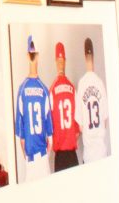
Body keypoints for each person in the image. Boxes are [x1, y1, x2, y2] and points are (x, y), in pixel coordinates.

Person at [15, 35, 53, 181]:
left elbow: (21, 137)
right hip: (43, 159)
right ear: (38, 56)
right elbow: (51, 139)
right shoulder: (44, 90)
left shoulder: (22, 90)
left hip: (30, 162)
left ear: (27, 55)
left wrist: (27, 157)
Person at [75, 37, 109, 163]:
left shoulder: (82, 83)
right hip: (101, 152)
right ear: (93, 56)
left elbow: (80, 126)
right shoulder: (99, 83)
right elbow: (104, 121)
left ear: (85, 56)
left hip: (88, 155)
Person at [50, 42, 80, 171]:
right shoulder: (72, 88)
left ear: (56, 61)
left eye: (61, 61)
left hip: (60, 157)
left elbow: (49, 128)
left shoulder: (52, 89)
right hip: (72, 155)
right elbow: (78, 127)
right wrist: (70, 137)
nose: (61, 63)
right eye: (60, 61)